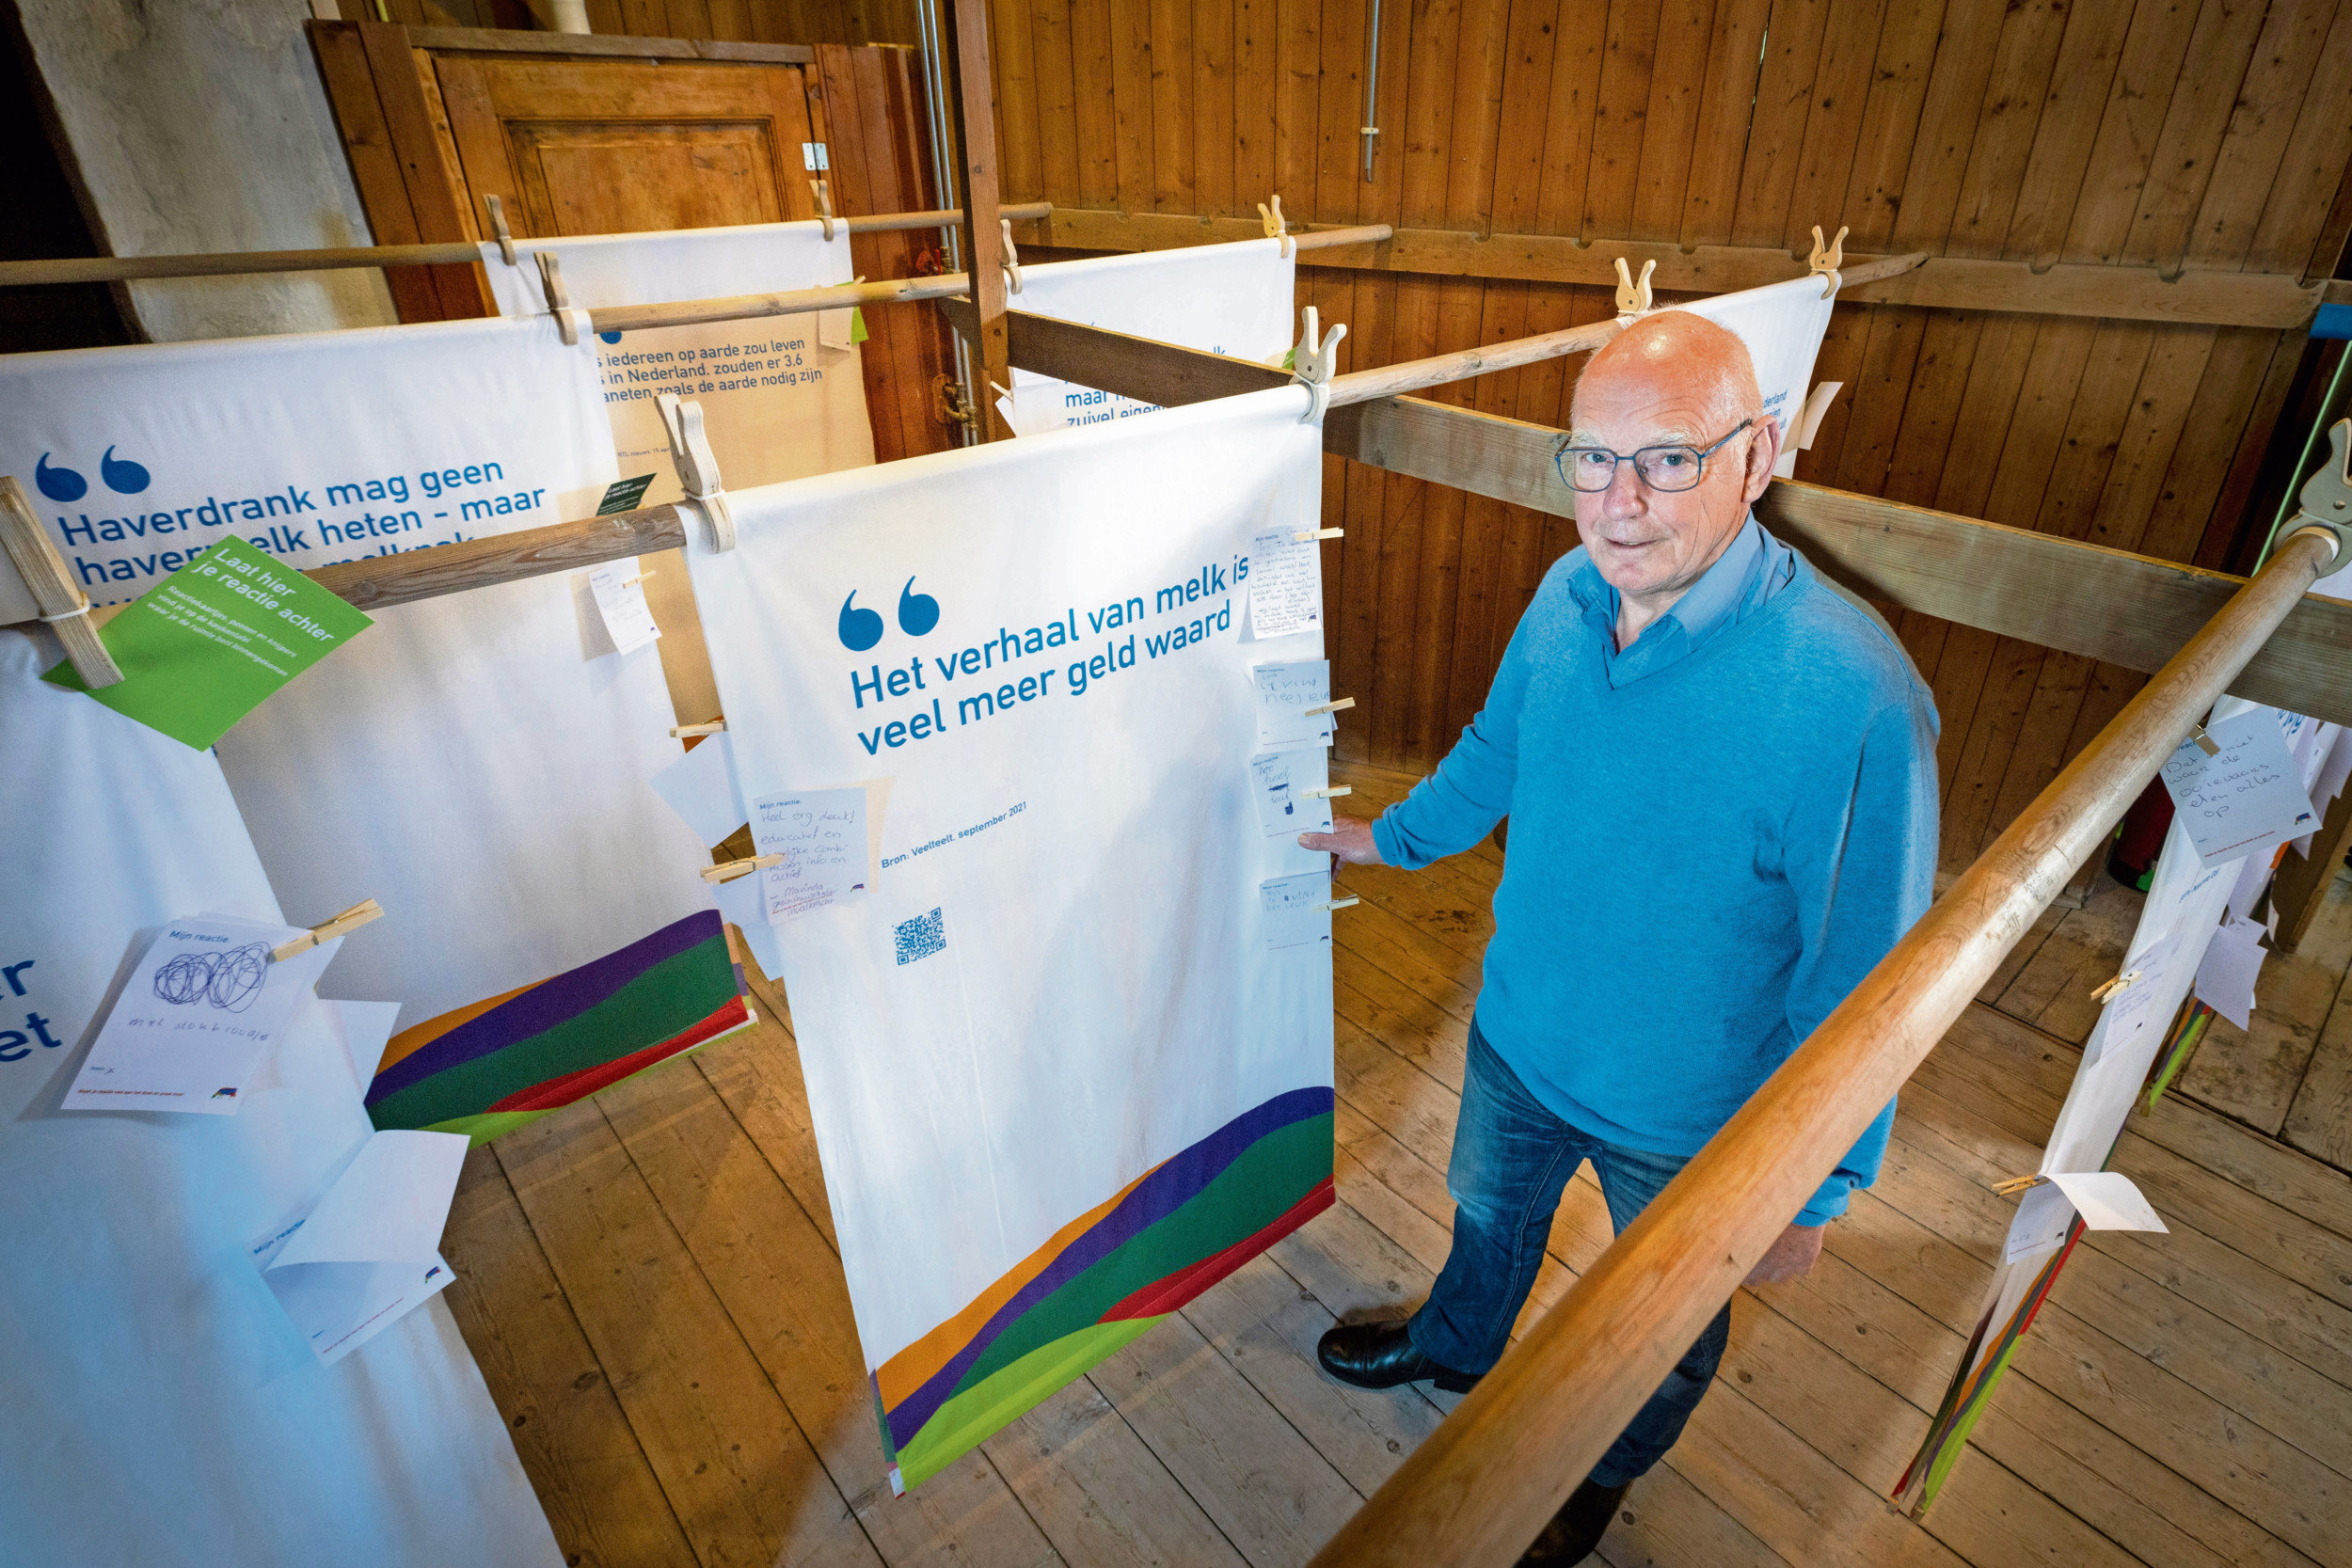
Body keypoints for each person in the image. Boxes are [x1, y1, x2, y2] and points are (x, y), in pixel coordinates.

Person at [1303, 311, 1938, 1566]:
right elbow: (1501, 743)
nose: (1620, 501)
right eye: (1591, 457)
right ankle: (1455, 1343)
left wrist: (1814, 1188)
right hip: (1522, 1036)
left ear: (1757, 457)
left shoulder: (1855, 696)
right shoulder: (1566, 591)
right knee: (1486, 1219)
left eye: (1668, 459)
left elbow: (1868, 983)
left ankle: (1588, 1483)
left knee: (1658, 1333)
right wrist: (1400, 839)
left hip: (1694, 1117)